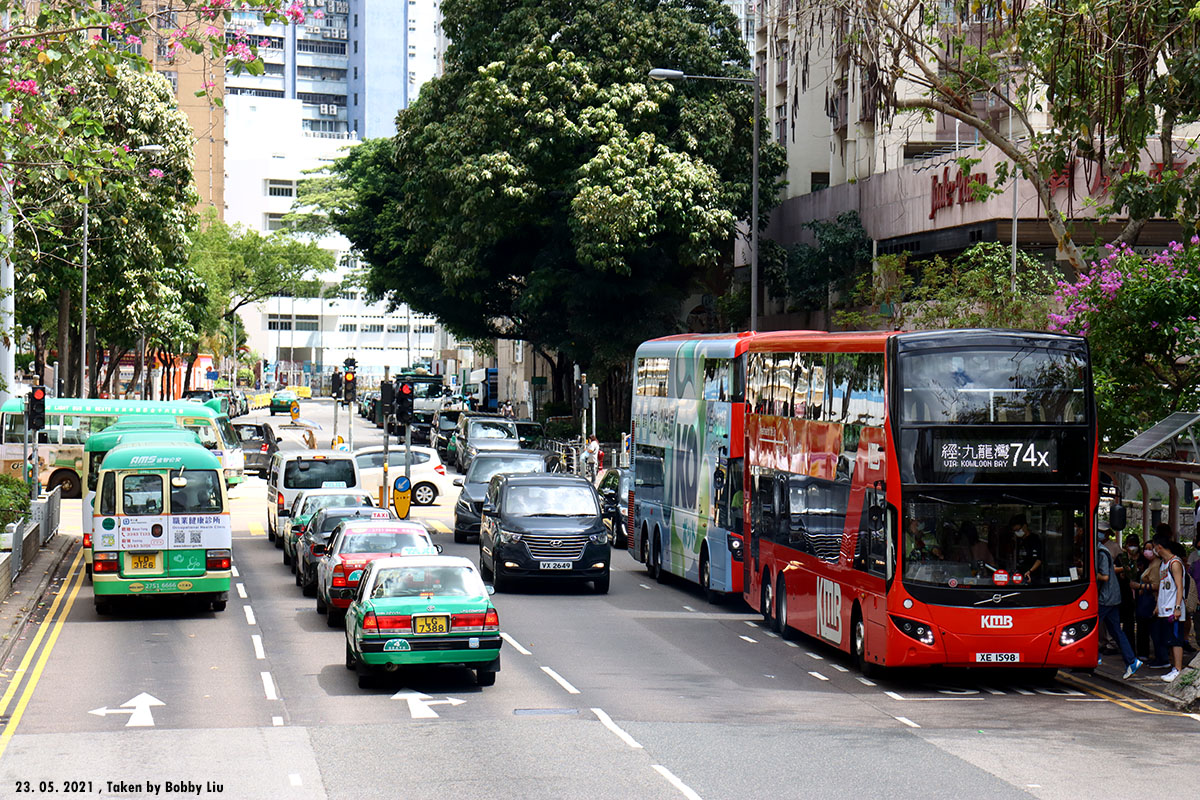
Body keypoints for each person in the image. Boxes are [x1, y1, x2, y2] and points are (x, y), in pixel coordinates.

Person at [1095, 527, 1142, 679]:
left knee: (1091, 626)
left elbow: (1105, 576)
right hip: (1113, 596)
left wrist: (1088, 573)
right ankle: (1132, 661)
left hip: (1105, 597)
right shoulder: (1101, 550)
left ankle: (1094, 656)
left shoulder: (1101, 552)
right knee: (1116, 630)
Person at [1152, 532, 1188, 682]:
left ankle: (1178, 669)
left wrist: (1177, 607)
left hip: (1173, 609)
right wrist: (1157, 605)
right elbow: (1163, 587)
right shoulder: (1164, 564)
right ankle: (1173, 667)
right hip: (1164, 608)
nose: (1153, 550)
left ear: (1159, 547)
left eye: (1154, 547)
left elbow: (1179, 587)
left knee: (1176, 640)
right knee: (1169, 640)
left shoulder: (1175, 563)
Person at [1114, 532, 1140, 651]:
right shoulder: (1121, 558)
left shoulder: (1142, 558)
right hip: (1125, 595)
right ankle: (1127, 648)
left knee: (1140, 622)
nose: (1132, 547)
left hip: (1139, 594)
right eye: (1130, 544)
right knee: (1126, 622)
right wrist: (1124, 570)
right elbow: (1114, 570)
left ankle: (1139, 649)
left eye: (1135, 544)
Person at [1010, 514, 1043, 583]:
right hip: (1020, 574)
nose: (1017, 533)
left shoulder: (1034, 540)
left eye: (1018, 530)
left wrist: (1030, 571)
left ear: (1024, 526)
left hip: (1032, 576)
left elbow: (1039, 559)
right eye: (1015, 531)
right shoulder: (1019, 541)